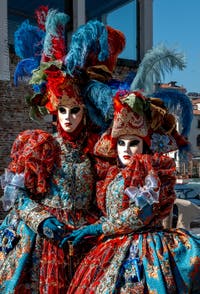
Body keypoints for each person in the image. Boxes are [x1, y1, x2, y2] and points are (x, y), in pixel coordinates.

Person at [0, 7, 126, 293]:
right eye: (63, 111)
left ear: (85, 111)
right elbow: (16, 194)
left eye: (75, 110)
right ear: (55, 111)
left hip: (85, 241)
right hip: (46, 241)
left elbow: (108, 195)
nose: (68, 118)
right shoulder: (41, 145)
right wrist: (42, 221)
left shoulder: (98, 150)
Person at [62, 90, 200, 293]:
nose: (126, 149)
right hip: (109, 248)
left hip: (144, 249)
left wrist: (98, 229)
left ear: (144, 144)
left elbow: (141, 214)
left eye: (133, 143)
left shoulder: (152, 171)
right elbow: (111, 213)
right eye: (121, 143)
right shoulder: (111, 175)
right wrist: (88, 228)